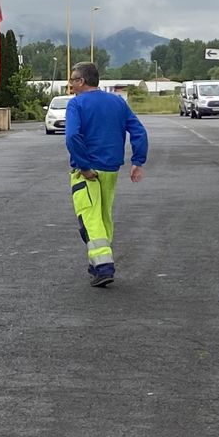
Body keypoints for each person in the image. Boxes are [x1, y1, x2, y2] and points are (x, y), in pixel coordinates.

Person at [64, 62, 148, 288]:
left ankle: (103, 266)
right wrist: (137, 160)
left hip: (87, 171)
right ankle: (97, 263)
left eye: (73, 79)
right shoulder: (117, 102)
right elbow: (139, 131)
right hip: (111, 169)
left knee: (89, 218)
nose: (70, 84)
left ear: (81, 81)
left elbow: (72, 137)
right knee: (103, 216)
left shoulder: (76, 104)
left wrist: (83, 166)